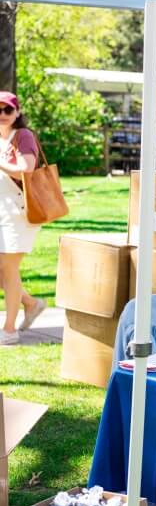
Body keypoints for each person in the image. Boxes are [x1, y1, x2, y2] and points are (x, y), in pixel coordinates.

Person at [0, 91, 46, 344]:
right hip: (2, 212)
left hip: (19, 213)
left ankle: (8, 331)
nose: (3, 115)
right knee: (3, 272)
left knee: (8, 269)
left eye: (8, 110)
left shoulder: (23, 136)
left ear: (17, 112)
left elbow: (26, 170)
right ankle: (31, 303)